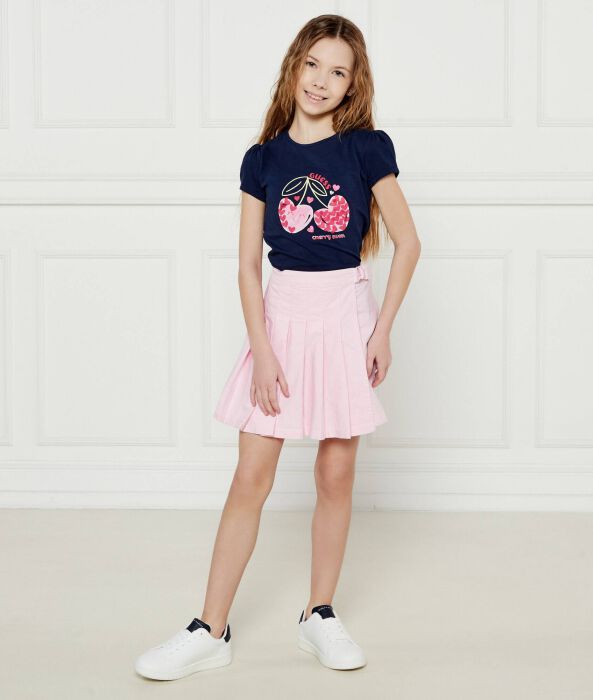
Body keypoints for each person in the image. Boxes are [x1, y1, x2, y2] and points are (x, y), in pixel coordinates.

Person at [134, 13, 420, 680]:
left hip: (345, 314)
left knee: (336, 473)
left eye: (338, 72)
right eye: (313, 64)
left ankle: (319, 614)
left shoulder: (366, 148)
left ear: (352, 86)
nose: (321, 81)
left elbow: (408, 242)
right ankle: (210, 627)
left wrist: (381, 330)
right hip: (282, 318)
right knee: (251, 475)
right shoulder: (262, 160)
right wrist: (262, 350)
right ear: (294, 66)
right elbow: (246, 266)